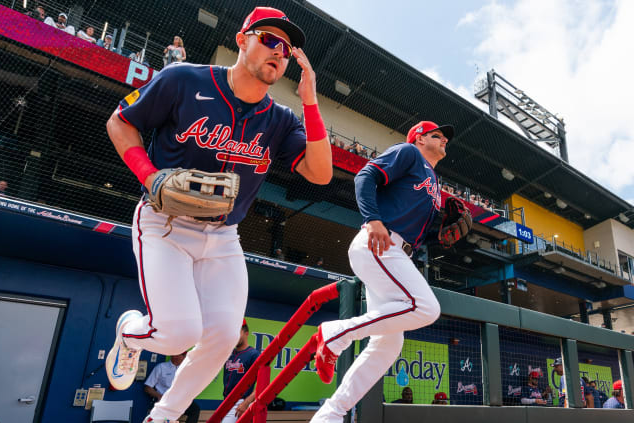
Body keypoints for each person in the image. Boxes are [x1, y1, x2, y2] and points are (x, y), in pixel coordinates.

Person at [103, 6, 330, 423]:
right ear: (242, 40)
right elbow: (120, 122)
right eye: (269, 40)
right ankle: (130, 331)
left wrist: (311, 101)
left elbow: (320, 172)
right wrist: (150, 176)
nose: (279, 52)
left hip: (224, 236)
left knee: (224, 337)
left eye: (287, 47)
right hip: (164, 222)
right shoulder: (183, 79)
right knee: (180, 333)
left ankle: (164, 416)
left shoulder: (280, 119)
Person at [311, 121, 450, 422]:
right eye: (439, 135)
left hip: (397, 252)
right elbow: (366, 175)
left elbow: (418, 225)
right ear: (420, 138)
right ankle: (335, 333)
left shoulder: (434, 179)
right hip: (380, 243)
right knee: (426, 308)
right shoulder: (409, 153)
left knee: (389, 344)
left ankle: (330, 415)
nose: (445, 140)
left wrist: (443, 229)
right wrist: (372, 218)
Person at [144, 353, 199, 423]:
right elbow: (147, 387)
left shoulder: (185, 369)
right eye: (183, 355)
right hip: (164, 400)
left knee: (195, 409)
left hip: (179, 400)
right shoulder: (161, 367)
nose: (185, 357)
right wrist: (159, 396)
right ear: (175, 356)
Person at [222, 320, 259, 423]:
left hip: (240, 402)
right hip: (226, 401)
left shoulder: (253, 354)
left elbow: (262, 385)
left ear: (246, 333)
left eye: (238, 332)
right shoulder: (229, 353)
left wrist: (246, 403)